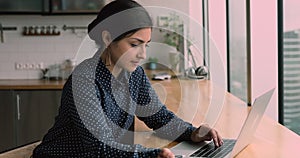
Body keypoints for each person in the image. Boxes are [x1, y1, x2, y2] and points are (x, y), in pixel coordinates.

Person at [32, 0, 223, 157]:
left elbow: (159, 117)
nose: (143, 55)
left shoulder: (134, 75)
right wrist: (152, 155)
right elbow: (100, 147)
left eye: (146, 45)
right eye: (134, 44)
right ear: (107, 38)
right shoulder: (84, 80)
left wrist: (193, 132)